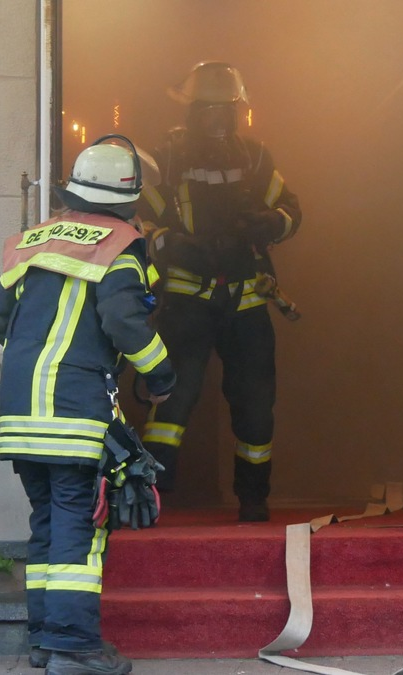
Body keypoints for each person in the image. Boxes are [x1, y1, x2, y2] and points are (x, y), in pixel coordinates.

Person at [0, 134, 175, 675]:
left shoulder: (34, 239)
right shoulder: (122, 245)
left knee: (47, 517)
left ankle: (45, 639)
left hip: (20, 409)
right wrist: (160, 376)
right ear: (130, 198)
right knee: (79, 521)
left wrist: (35, 361)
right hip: (73, 409)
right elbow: (124, 321)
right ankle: (74, 647)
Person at [136, 61, 302, 522]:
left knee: (255, 406)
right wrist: (173, 245)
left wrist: (272, 222)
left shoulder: (254, 156)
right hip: (185, 301)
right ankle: (152, 497)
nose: (218, 121)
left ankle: (254, 498)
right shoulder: (165, 159)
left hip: (247, 302)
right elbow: (137, 222)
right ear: (191, 112)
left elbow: (291, 208)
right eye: (208, 110)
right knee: (172, 399)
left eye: (227, 111)